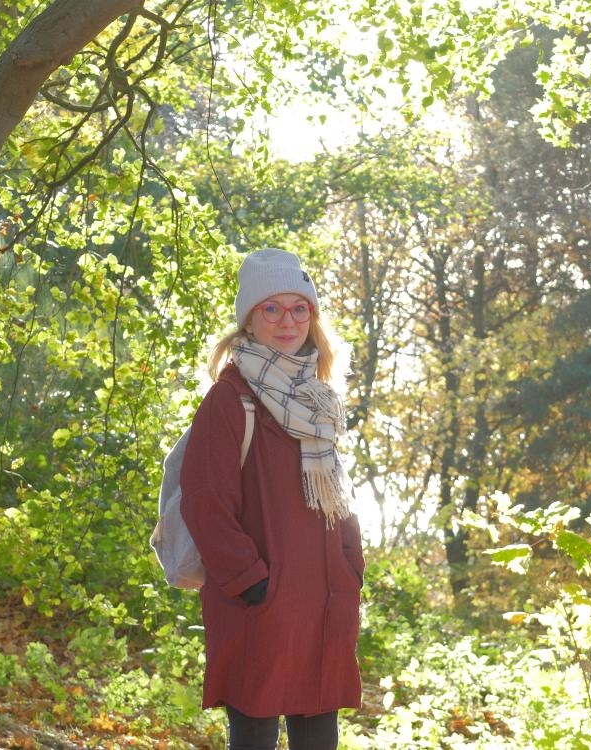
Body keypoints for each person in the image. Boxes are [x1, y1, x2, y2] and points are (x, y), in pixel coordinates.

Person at [180, 248, 365, 750]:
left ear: (313, 316)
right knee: (256, 736)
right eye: (272, 308)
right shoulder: (229, 400)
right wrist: (251, 583)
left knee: (319, 739)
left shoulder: (317, 398)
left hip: (323, 601)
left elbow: (338, 496)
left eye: (299, 308)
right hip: (259, 602)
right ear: (249, 318)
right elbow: (205, 502)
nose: (288, 321)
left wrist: (350, 566)